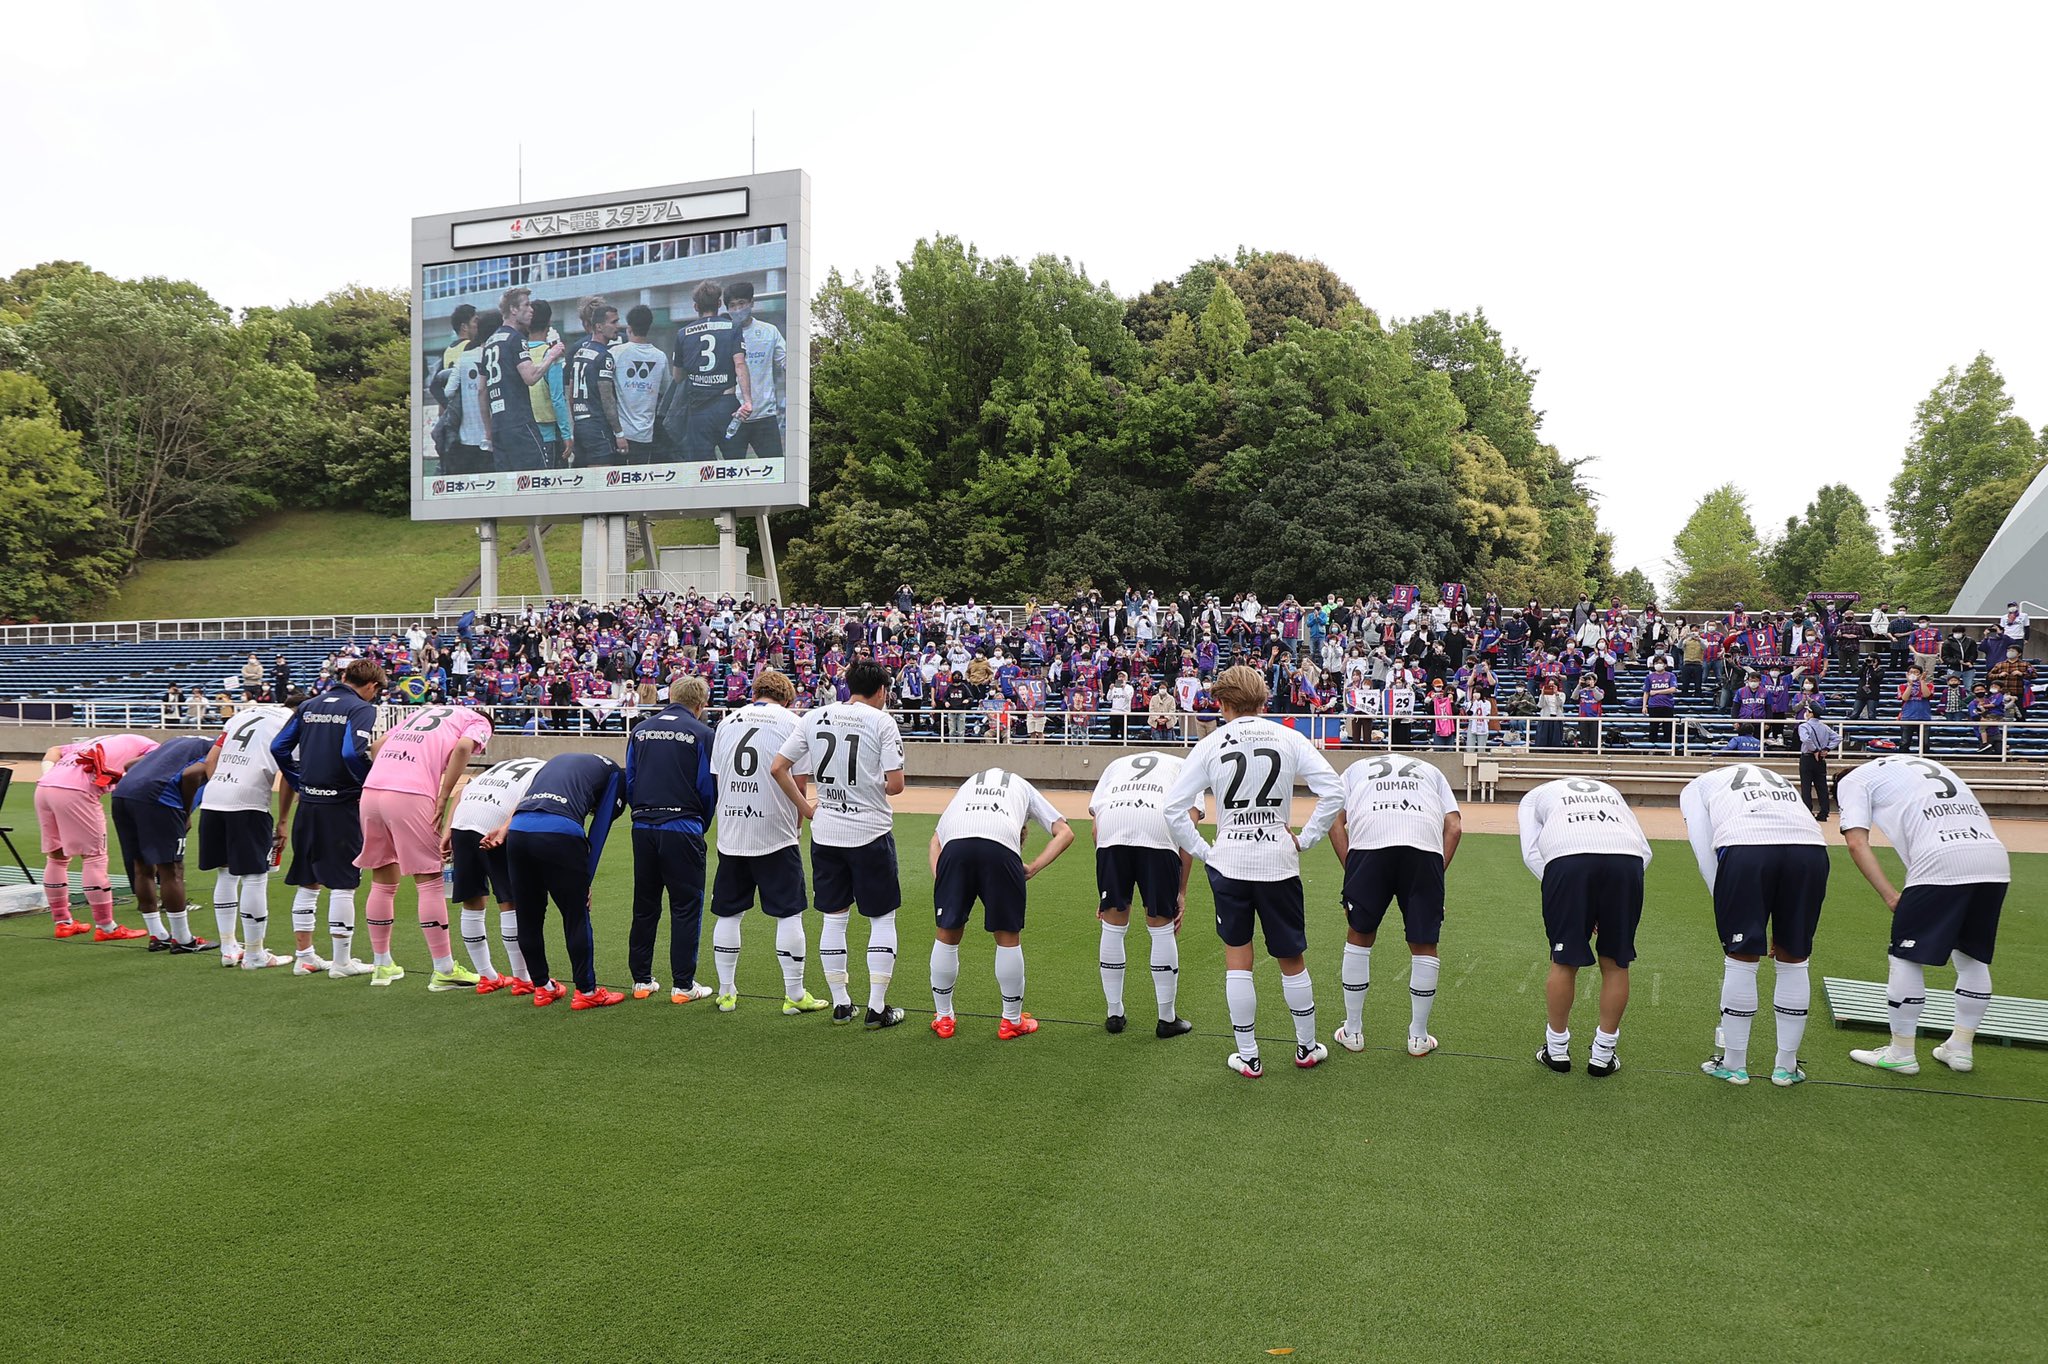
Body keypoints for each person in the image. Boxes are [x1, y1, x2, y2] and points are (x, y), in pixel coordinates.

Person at [1161, 665, 1345, 1079]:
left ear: (1223, 703)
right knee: (1291, 957)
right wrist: (1306, 838)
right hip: (1278, 860)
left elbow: (1173, 808)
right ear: (1263, 700)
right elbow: (1334, 791)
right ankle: (1306, 1047)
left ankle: (1248, 1055)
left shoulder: (1209, 744)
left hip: (1230, 863)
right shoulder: (1288, 737)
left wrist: (1205, 851)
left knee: (1238, 958)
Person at [1838, 757, 2009, 1077]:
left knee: (1904, 957)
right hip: (1994, 860)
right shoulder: (1912, 764)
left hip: (1941, 860)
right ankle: (1960, 1047)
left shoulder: (1852, 781)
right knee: (1972, 955)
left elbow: (1856, 843)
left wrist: (1890, 896)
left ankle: (1901, 1052)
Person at [770, 660, 908, 1027]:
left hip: (827, 831)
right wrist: (867, 786)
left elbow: (778, 767)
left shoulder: (814, 716)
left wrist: (807, 809)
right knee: (882, 918)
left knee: (834, 918)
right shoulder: (882, 721)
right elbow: (896, 785)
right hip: (870, 832)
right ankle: (877, 1007)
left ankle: (841, 1003)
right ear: (881, 690)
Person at [1679, 763, 1831, 1087]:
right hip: (1811, 850)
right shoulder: (1775, 777)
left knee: (1741, 956)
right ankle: (1786, 1067)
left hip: (1747, 846)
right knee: (1795, 956)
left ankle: (1734, 1065)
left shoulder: (1696, 786)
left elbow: (1703, 844)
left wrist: (1725, 902)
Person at [707, 669, 828, 1014]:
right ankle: (794, 994)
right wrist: (799, 824)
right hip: (774, 829)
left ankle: (726, 993)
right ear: (787, 699)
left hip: (732, 830)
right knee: (788, 913)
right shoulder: (793, 722)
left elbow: (719, 776)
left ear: (754, 693)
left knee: (728, 913)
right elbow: (799, 782)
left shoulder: (726, 722)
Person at [1328, 752, 1463, 1058]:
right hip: (1423, 850)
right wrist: (1434, 876)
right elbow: (1454, 827)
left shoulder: (1354, 769)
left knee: (1359, 934)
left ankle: (1353, 1031)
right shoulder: (1431, 771)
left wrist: (1352, 871)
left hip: (1368, 847)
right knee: (1424, 942)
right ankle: (1418, 1037)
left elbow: (1334, 820)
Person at [927, 767, 1076, 1039]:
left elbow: (935, 841)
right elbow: (1065, 832)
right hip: (1001, 848)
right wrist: (1033, 867)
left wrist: (943, 880)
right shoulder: (1024, 787)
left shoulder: (969, 784)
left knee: (947, 933)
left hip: (955, 848)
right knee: (1007, 936)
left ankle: (944, 1018)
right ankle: (1011, 1021)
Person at [1518, 778, 1652, 1077]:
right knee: (1616, 961)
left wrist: (1564, 893)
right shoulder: (1610, 791)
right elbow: (1644, 850)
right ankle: (1603, 1054)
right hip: (1626, 862)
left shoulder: (1534, 796)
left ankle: (1556, 1050)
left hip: (1568, 863)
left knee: (1564, 960)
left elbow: (1531, 853)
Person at [355, 701, 493, 990]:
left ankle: (382, 965)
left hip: (372, 792)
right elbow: (462, 748)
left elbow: (378, 745)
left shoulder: (422, 712)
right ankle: (444, 969)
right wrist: (443, 796)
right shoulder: (478, 720)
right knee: (429, 879)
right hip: (410, 794)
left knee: (382, 877)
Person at [485, 751, 629, 1010]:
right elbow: (599, 828)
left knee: (528, 915)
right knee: (575, 915)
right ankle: (586, 991)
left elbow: (526, 800)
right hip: (560, 832)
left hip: (519, 831)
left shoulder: (559, 762)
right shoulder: (617, 775)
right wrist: (585, 880)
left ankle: (542, 987)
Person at [272, 659, 384, 978]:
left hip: (309, 802)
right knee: (343, 882)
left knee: (308, 880)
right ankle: (341, 962)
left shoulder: (309, 704)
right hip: (341, 803)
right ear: (373, 686)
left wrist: (299, 781)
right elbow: (351, 752)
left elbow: (278, 747)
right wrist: (368, 783)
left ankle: (304, 957)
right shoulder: (361, 708)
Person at [1086, 751, 1199, 1037]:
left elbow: (1097, 830)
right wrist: (1180, 892)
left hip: (1113, 829)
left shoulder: (1116, 764)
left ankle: (1114, 1014)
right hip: (1157, 827)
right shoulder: (1186, 766)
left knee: (1112, 924)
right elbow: (1188, 832)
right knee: (1161, 926)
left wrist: (1106, 889)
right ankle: (1166, 1019)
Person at [623, 676, 718, 1004]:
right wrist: (700, 823)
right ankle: (683, 985)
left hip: (643, 826)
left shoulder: (640, 730)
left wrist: (643, 812)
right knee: (686, 906)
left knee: (645, 904)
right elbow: (707, 787)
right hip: (683, 826)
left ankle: (641, 981)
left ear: (670, 696)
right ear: (701, 705)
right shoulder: (703, 733)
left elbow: (631, 779)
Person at [195, 701, 299, 970]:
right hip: (248, 801)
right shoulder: (292, 722)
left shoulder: (244, 714)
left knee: (225, 873)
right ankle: (255, 954)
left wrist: (222, 787)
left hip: (214, 797)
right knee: (255, 876)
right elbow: (289, 776)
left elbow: (211, 760)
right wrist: (283, 820)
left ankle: (229, 948)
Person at [33, 733, 160, 939]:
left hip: (44, 788)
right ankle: (106, 927)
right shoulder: (154, 748)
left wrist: (50, 775)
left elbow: (53, 750)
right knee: (95, 857)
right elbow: (148, 768)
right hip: (76, 791)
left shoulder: (98, 741)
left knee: (56, 856)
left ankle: (63, 922)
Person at [108, 735, 215, 955]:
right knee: (172, 869)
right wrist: (185, 812)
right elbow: (191, 774)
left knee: (141, 866)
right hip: (160, 798)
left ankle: (157, 935)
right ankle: (183, 939)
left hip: (123, 794)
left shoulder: (178, 741)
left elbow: (130, 765)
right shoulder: (218, 747)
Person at [445, 757, 543, 994]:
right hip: (494, 822)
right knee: (509, 899)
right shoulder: (546, 770)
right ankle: (522, 978)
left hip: (462, 822)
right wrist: (505, 828)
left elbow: (461, 793)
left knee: (472, 898)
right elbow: (526, 801)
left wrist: (448, 831)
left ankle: (487, 976)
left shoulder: (501, 766)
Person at [478, 286, 564, 473]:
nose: (531, 310)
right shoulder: (515, 339)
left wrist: (488, 429)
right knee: (535, 477)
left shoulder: (490, 342)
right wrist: (551, 355)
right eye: (526, 305)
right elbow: (530, 377)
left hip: (499, 426)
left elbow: (481, 390)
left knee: (508, 482)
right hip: (519, 422)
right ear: (513, 309)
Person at [667, 280, 752, 459]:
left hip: (698, 408)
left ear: (695, 306)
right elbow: (740, 364)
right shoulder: (733, 328)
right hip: (727, 404)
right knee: (736, 464)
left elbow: (677, 377)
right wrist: (747, 400)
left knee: (702, 467)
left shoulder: (683, 334)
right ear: (719, 303)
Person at [725, 281, 787, 458]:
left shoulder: (769, 331)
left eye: (742, 303)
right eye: (732, 305)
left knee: (774, 467)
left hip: (764, 416)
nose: (738, 309)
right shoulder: (723, 334)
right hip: (733, 416)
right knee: (732, 470)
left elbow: (786, 362)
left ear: (751, 303)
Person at [566, 296, 628, 468]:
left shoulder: (579, 352)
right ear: (599, 326)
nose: (618, 326)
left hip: (580, 424)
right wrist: (619, 433)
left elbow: (571, 394)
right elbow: (607, 399)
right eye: (613, 322)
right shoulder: (604, 356)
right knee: (601, 478)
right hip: (597, 425)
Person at [612, 304, 668, 462]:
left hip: (619, 433)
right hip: (645, 434)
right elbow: (665, 389)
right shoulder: (660, 357)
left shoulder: (615, 353)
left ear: (629, 328)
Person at [523, 298, 572, 466]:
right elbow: (558, 399)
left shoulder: (519, 353)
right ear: (549, 322)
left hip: (525, 433)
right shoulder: (552, 355)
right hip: (549, 434)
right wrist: (566, 435)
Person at [1797, 709, 1839, 820]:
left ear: (1811, 713)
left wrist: (1814, 749)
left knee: (1806, 786)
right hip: (1821, 758)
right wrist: (1826, 749)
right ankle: (1824, 812)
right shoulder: (1824, 727)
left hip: (1807, 757)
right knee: (1822, 786)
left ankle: (1808, 811)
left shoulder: (1804, 726)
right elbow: (1838, 738)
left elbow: (1805, 739)